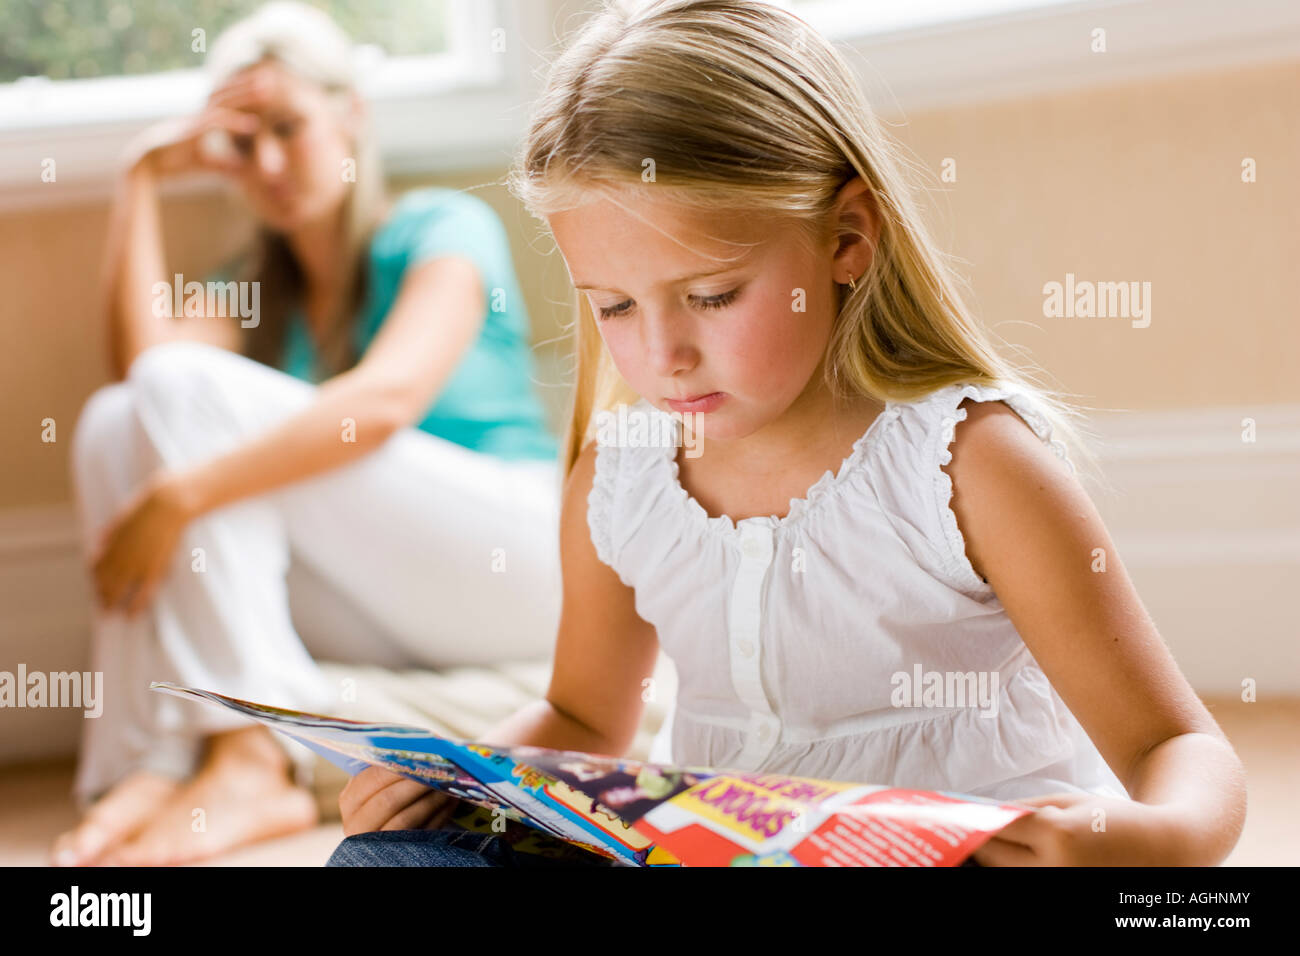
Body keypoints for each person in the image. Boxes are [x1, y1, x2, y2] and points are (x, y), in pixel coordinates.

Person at [327, 0, 1247, 867]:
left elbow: (1176, 745)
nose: (664, 354)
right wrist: (452, 780)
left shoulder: (967, 465)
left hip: (954, 855)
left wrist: (1148, 839)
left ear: (847, 238)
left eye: (713, 296)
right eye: (611, 307)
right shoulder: (625, 475)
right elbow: (580, 714)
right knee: (392, 858)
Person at [52, 1, 562, 867]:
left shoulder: (441, 226)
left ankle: (253, 758)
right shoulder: (256, 288)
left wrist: (183, 495)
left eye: (289, 128)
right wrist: (141, 175)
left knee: (183, 396)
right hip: (391, 600)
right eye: (244, 146)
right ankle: (153, 760)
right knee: (115, 422)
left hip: (518, 567)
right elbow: (138, 375)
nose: (272, 163)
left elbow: (388, 399)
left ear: (352, 115)